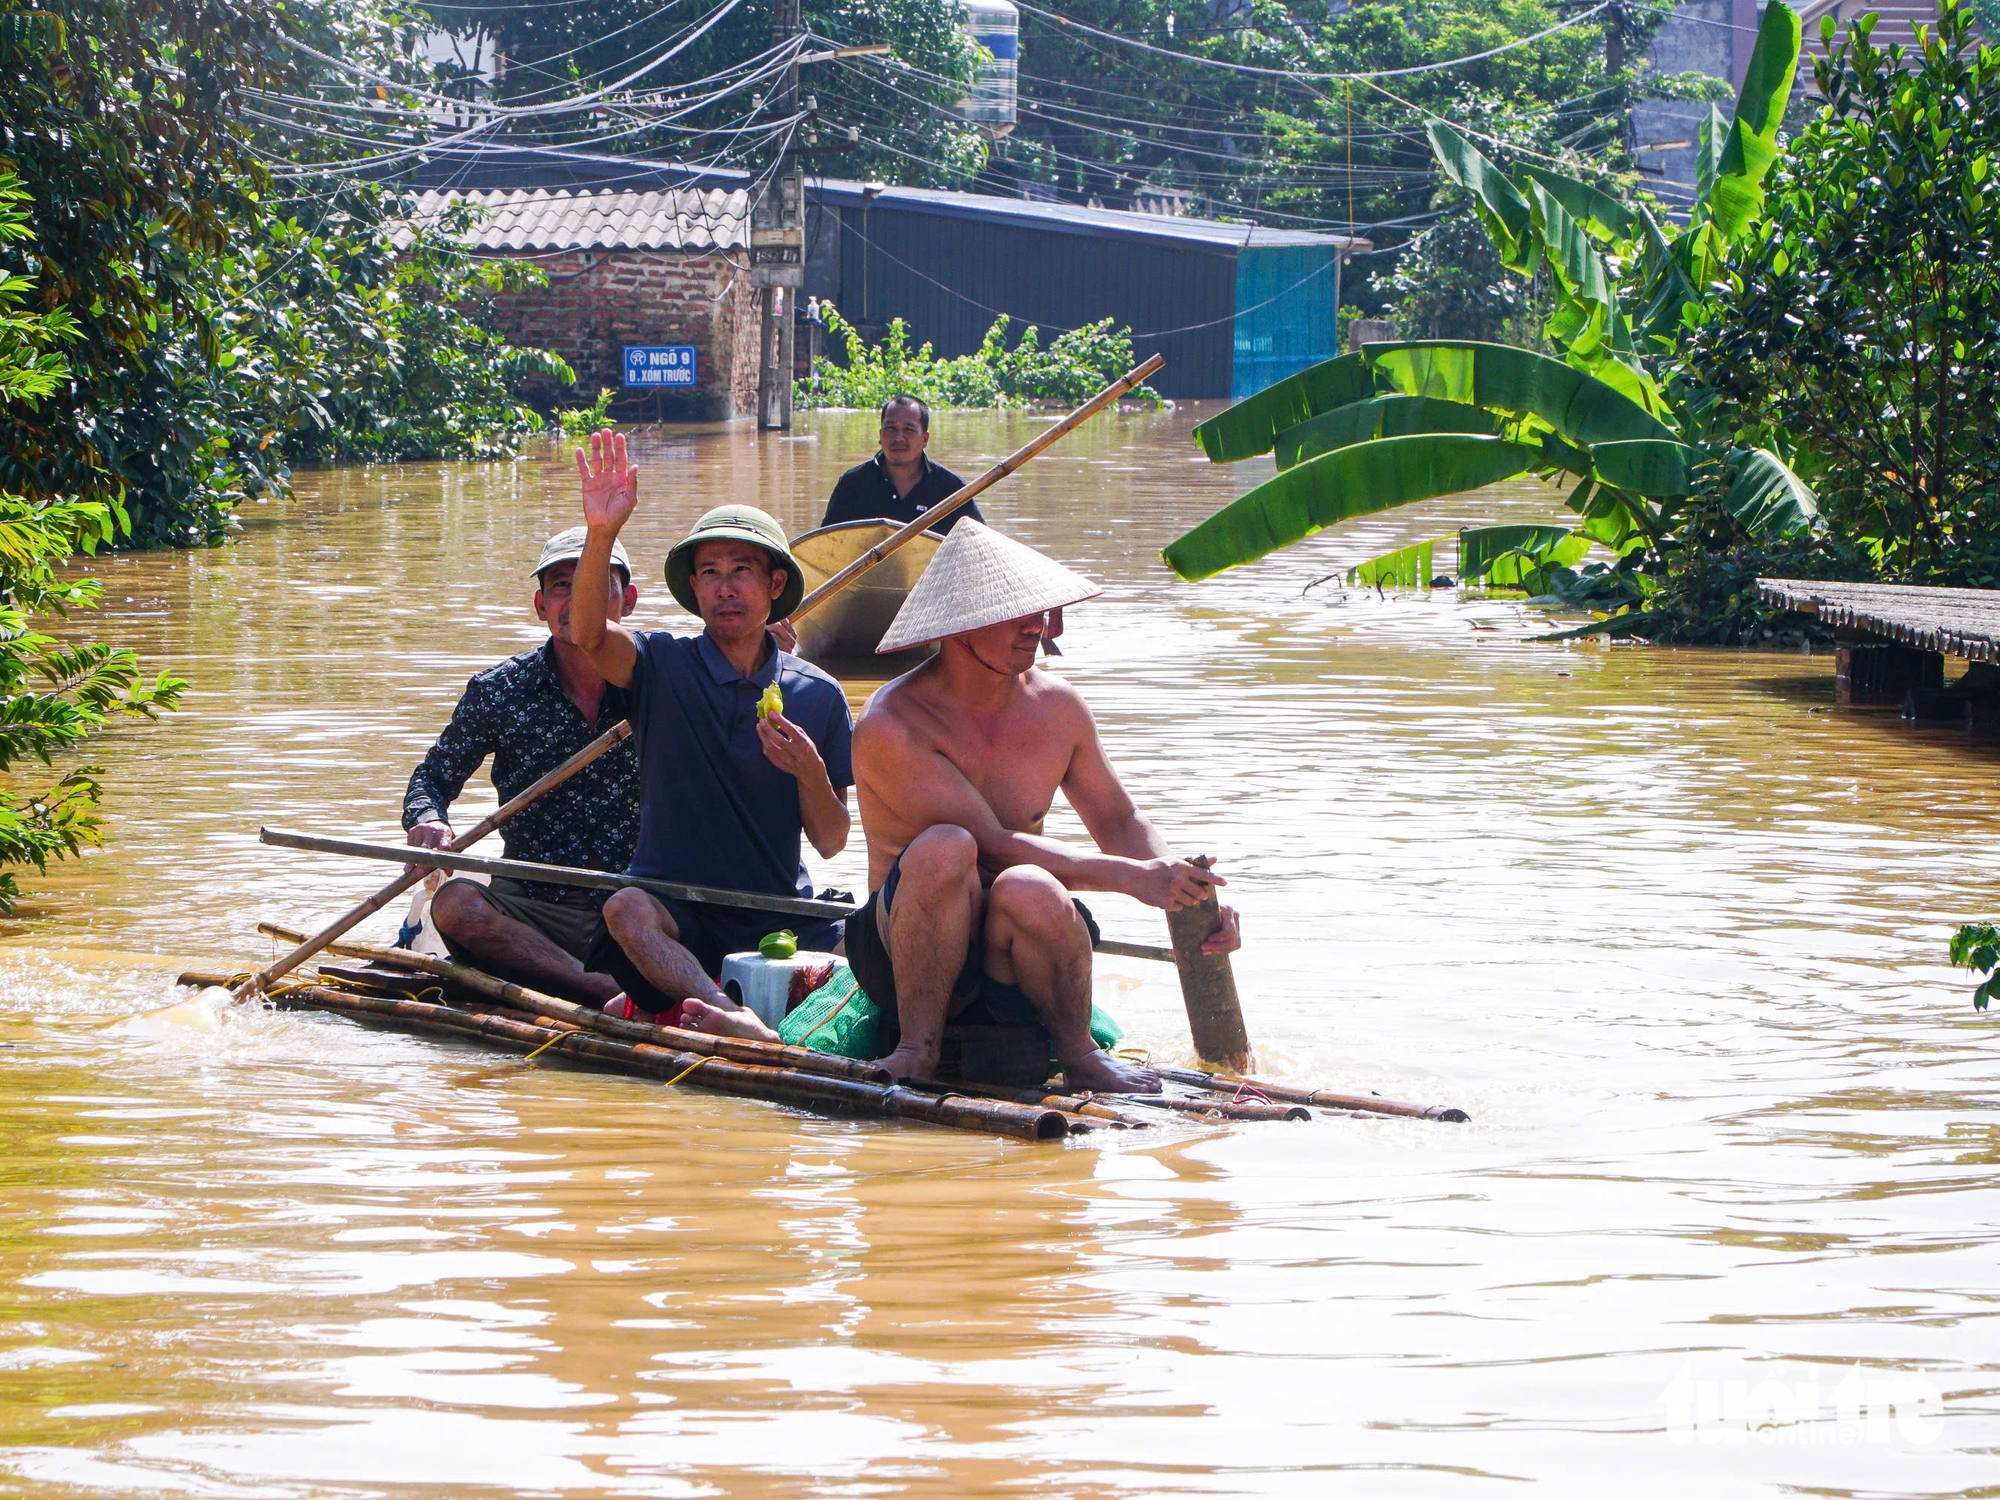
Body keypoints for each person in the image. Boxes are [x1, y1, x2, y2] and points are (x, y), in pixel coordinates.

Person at [686, 519, 1243, 1093]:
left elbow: (1119, 820)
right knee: (947, 848)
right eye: (1016, 614)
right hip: (907, 949)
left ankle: (1080, 1054)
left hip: (1017, 945)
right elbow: (993, 843)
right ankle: (916, 1047)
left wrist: (1184, 889)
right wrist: (1132, 879)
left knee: (1030, 884)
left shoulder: (1059, 707)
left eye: (1041, 612)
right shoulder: (893, 722)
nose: (1038, 628)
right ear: (960, 628)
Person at [567, 430, 853, 1026]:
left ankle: (799, 1024)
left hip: (775, 908)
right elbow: (589, 635)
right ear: (693, 589)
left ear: (775, 586)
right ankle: (727, 1012)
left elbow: (830, 842)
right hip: (677, 909)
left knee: (872, 933)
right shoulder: (660, 665)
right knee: (625, 909)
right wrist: (602, 532)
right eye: (710, 572)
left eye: (743, 570)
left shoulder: (817, 694)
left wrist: (809, 771)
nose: (726, 587)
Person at [402, 527, 641, 1004]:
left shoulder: (665, 680)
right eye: (561, 586)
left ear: (627, 601)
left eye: (594, 584)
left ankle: (609, 982)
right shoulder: (500, 690)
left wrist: (762, 661)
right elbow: (431, 779)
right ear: (540, 605)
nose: (578, 600)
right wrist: (429, 821)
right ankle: (599, 990)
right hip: (534, 906)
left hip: (638, 902)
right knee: (453, 904)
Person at [818, 393, 983, 533]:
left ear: (925, 439)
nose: (898, 438)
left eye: (908, 430)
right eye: (891, 429)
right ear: (880, 435)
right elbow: (826, 546)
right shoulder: (852, 485)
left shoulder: (951, 490)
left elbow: (981, 549)